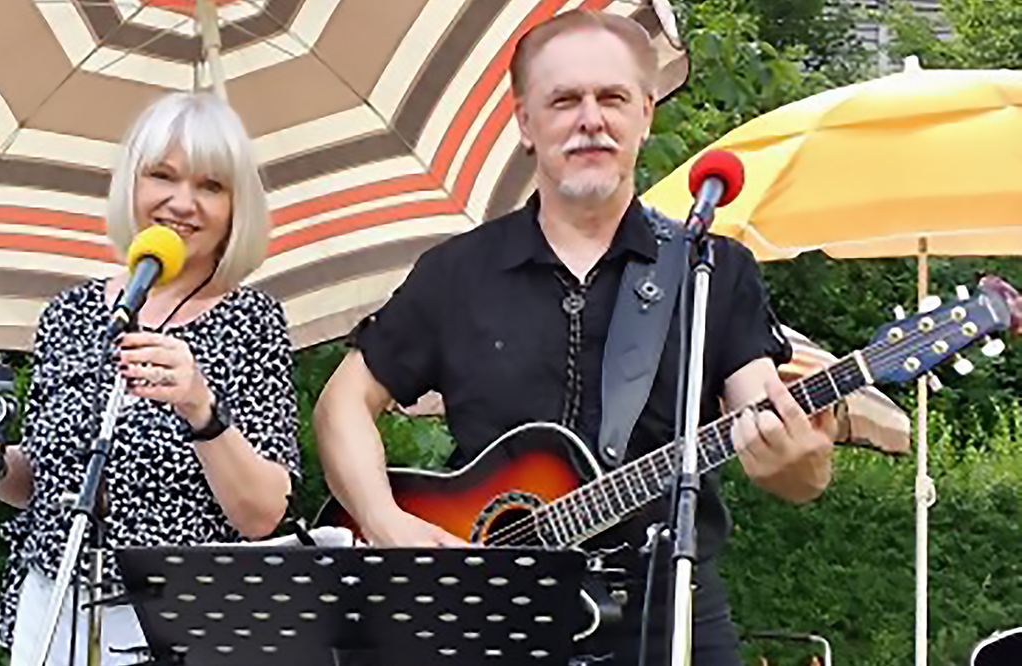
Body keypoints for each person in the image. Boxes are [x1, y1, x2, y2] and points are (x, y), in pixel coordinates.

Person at [312, 10, 839, 666]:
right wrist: (387, 524)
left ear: (645, 114)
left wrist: (795, 460)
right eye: (564, 100)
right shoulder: (456, 274)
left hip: (665, 611)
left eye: (612, 97)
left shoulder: (711, 268)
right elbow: (342, 405)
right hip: (485, 615)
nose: (591, 118)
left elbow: (788, 452)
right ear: (526, 123)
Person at [0, 92, 300, 665]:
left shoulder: (252, 320)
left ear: (236, 208)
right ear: (132, 186)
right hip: (54, 611)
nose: (182, 202)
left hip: (180, 622)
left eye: (211, 186)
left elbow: (262, 513)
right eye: (162, 176)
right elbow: (38, 484)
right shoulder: (70, 314)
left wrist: (200, 406)